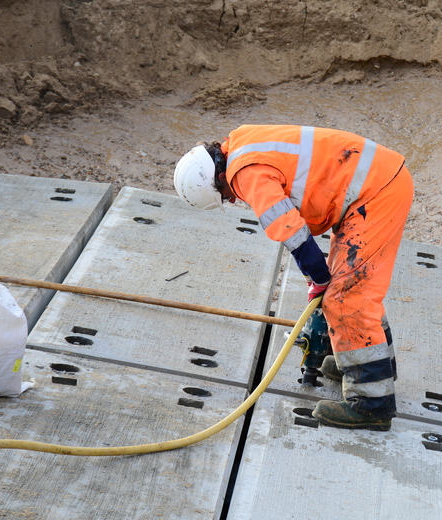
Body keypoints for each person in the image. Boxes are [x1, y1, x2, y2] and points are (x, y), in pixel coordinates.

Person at [173, 124, 413, 431]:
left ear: (217, 178)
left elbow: (290, 230)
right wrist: (319, 278)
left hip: (376, 193)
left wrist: (318, 277)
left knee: (346, 296)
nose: (232, 199)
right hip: (376, 184)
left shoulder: (244, 174)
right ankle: (368, 370)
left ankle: (372, 405)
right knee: (350, 289)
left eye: (223, 195)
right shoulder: (241, 142)